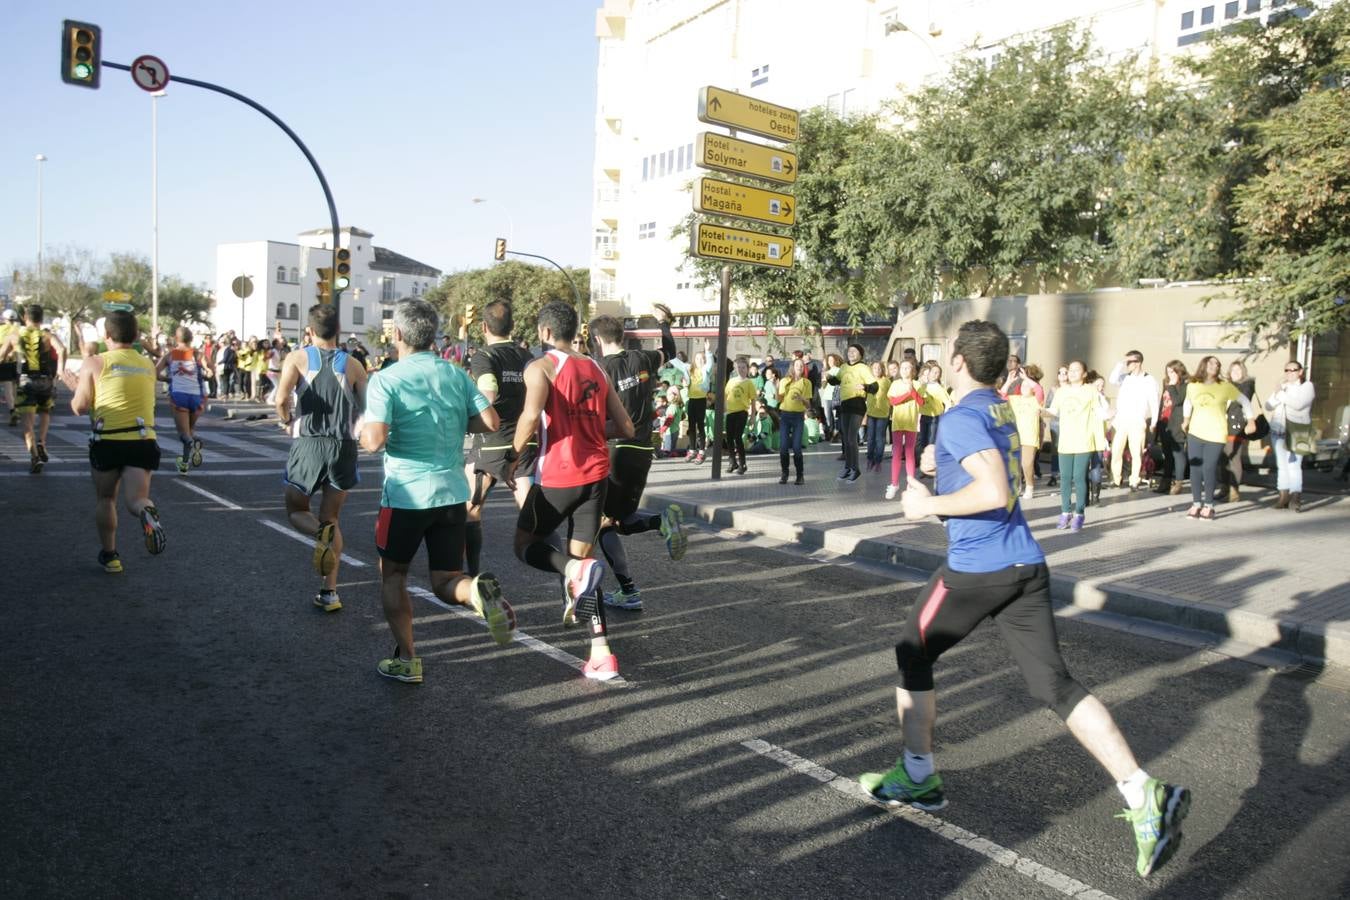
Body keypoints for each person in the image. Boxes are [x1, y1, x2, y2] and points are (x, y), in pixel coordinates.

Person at [861, 319, 1191, 880]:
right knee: (1053, 684)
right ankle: (1143, 793)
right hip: (1025, 566)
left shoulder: (964, 416)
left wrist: (926, 506)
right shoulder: (998, 408)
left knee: (912, 650)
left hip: (978, 569)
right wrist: (945, 467)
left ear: (958, 362)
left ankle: (918, 775)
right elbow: (998, 474)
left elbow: (993, 489)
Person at [360, 299, 512, 684]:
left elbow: (374, 441)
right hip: (451, 494)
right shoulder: (455, 374)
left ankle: (408, 660)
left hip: (406, 496)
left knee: (393, 575)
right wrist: (456, 420)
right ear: (433, 335)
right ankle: (475, 593)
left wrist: (364, 431)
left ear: (397, 334)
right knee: (446, 580)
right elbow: (490, 420)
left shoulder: (387, 379)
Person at [506, 301, 635, 681]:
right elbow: (625, 427)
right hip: (596, 477)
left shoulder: (541, 367)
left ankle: (573, 570)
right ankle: (602, 654)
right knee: (587, 563)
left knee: (524, 544)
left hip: (558, 477)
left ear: (545, 332)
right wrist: (590, 429)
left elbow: (531, 416)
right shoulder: (595, 367)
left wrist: (511, 458)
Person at [589, 308, 688, 612]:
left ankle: (629, 590)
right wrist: (664, 324)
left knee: (602, 521)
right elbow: (669, 350)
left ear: (597, 339)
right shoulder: (643, 358)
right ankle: (661, 523)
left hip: (616, 449)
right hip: (644, 450)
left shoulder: (599, 369)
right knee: (622, 519)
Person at [274, 305, 369, 612]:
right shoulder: (354, 365)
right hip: (344, 447)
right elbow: (366, 409)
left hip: (309, 444)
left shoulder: (297, 358)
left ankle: (320, 535)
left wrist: (285, 419)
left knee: (296, 509)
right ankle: (330, 592)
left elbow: (280, 399)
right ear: (338, 330)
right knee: (332, 518)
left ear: (309, 331)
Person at [59, 310, 166, 572]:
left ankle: (111, 556)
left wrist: (75, 388)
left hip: (107, 440)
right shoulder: (147, 364)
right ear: (136, 335)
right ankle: (146, 512)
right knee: (137, 499)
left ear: (106, 334)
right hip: (142, 439)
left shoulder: (95, 362)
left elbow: (80, 407)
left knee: (106, 498)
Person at [462, 300, 543, 578]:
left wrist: (467, 416)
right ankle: (569, 574)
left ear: (484, 327)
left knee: (471, 510)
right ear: (513, 326)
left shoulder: (484, 356)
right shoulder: (527, 356)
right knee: (533, 518)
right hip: (523, 445)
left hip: (490, 445)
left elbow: (488, 394)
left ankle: (473, 578)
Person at [1181, 355, 1255, 520]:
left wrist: (1251, 421)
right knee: (1195, 468)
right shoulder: (1193, 385)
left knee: (1209, 468)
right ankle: (1196, 504)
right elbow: (1188, 402)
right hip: (1195, 433)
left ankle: (1209, 505)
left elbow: (1245, 401)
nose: (1214, 365)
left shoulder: (1225, 386)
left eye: (1217, 364)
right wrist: (1186, 420)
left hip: (1216, 434)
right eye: (1211, 362)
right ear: (1204, 365)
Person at [0, 304, 67, 473]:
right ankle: (41, 442)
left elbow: (1, 356)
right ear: (41, 318)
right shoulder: (47, 335)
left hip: (25, 381)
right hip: (45, 380)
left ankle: (34, 456)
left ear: (25, 318)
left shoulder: (14, 335)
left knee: (27, 424)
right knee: (45, 412)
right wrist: (60, 369)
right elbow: (62, 349)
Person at [1041, 360, 1101, 531]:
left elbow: (1098, 410)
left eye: (1077, 370)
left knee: (1079, 477)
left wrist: (1110, 415)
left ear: (1084, 374)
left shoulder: (1090, 390)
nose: (1072, 373)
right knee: (1065, 478)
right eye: (1070, 370)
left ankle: (1079, 513)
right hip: (1065, 440)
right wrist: (1042, 411)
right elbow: (1054, 410)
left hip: (1084, 440)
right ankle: (1065, 512)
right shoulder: (1062, 391)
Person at [156, 327, 209, 475]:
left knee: (183, 434)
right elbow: (210, 371)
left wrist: (168, 379)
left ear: (176, 338)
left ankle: (192, 443)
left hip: (179, 396)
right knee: (190, 430)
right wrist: (204, 374)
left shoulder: (170, 355)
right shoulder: (198, 354)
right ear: (191, 339)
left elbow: (156, 373)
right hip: (197, 396)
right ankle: (184, 464)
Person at [1264, 360, 1315, 512]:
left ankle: (1295, 497)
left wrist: (1280, 393)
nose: (1289, 373)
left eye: (1293, 370)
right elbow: (1268, 405)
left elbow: (1298, 404)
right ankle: (1283, 496)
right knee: (1282, 465)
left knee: (1294, 466)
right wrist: (1277, 392)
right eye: (1287, 370)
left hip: (1298, 430)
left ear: (1300, 372)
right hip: (1278, 431)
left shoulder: (1307, 386)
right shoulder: (1283, 387)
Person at [1107, 351, 1160, 492]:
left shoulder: (1149, 380)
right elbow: (1112, 379)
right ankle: (1116, 479)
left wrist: (1154, 422)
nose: (1127, 364)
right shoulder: (1125, 378)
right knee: (1116, 450)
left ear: (1138, 363)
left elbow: (1154, 402)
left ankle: (1134, 480)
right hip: (1121, 420)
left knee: (1136, 452)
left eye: (1130, 362)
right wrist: (1120, 363)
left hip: (1137, 420)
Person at [828, 344, 878, 482]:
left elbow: (875, 387)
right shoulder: (844, 367)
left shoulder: (863, 368)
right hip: (845, 405)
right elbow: (836, 381)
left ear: (860, 354)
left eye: (854, 351)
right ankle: (848, 467)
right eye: (849, 351)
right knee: (846, 439)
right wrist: (828, 377)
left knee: (851, 438)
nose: (851, 353)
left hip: (857, 404)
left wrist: (865, 386)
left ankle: (855, 469)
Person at [885, 359, 922, 500]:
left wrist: (913, 391)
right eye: (903, 368)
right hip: (898, 423)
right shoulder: (895, 384)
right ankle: (894, 484)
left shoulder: (918, 384)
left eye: (908, 368)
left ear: (913, 370)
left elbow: (921, 402)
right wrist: (908, 394)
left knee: (910, 454)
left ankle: (911, 485)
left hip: (911, 423)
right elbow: (893, 401)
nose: (905, 370)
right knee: (896, 453)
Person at [1221, 360, 1258, 502]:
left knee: (1234, 458)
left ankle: (1234, 491)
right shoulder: (1227, 385)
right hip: (1223, 425)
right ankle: (1224, 488)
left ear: (1243, 372)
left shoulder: (1247, 385)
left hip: (1236, 425)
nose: (1235, 373)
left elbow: (1242, 399)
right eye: (1233, 370)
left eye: (1238, 370)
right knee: (1223, 458)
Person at [776, 356, 812, 485]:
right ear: (793, 367)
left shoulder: (806, 383)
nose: (799, 367)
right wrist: (776, 388)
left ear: (804, 368)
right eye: (797, 365)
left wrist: (802, 399)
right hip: (785, 415)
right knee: (783, 447)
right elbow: (779, 399)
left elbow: (808, 405)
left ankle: (800, 475)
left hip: (798, 417)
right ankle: (784, 473)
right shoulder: (785, 381)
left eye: (802, 365)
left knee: (797, 447)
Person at [1155, 361, 1189, 495]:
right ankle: (1165, 481)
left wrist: (1172, 386)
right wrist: (1157, 422)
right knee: (1167, 454)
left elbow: (1178, 400)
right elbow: (1163, 404)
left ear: (1179, 371)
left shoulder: (1185, 385)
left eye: (1173, 372)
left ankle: (1178, 482)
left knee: (1178, 454)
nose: (1170, 375)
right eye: (1168, 372)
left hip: (1177, 423)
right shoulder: (1167, 384)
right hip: (1165, 423)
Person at [722, 357, 757, 475]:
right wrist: (725, 409)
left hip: (742, 412)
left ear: (747, 369)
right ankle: (732, 462)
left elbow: (753, 400)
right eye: (739, 367)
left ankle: (743, 463)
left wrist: (753, 416)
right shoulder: (731, 381)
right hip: (730, 412)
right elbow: (725, 395)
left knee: (738, 437)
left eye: (743, 367)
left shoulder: (749, 383)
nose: (741, 370)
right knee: (729, 438)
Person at [684, 340, 713, 463]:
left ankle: (701, 452)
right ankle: (692, 450)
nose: (699, 360)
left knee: (700, 426)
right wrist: (685, 382)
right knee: (691, 426)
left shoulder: (706, 369)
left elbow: (710, 363)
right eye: (697, 358)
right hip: (691, 400)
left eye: (701, 358)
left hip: (701, 400)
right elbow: (686, 380)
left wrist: (707, 351)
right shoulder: (691, 370)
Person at [864, 361, 892, 472]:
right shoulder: (868, 381)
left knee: (879, 438)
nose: (877, 370)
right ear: (871, 370)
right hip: (871, 413)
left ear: (883, 369)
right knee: (870, 438)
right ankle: (870, 459)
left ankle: (878, 461)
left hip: (883, 414)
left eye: (879, 368)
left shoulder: (886, 381)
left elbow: (891, 396)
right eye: (875, 368)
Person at [1, 308, 21, 424]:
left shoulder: (1, 329)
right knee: (12, 388)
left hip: (2, 361)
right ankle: (14, 410)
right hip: (14, 362)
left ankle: (13, 411)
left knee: (8, 389)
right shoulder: (18, 330)